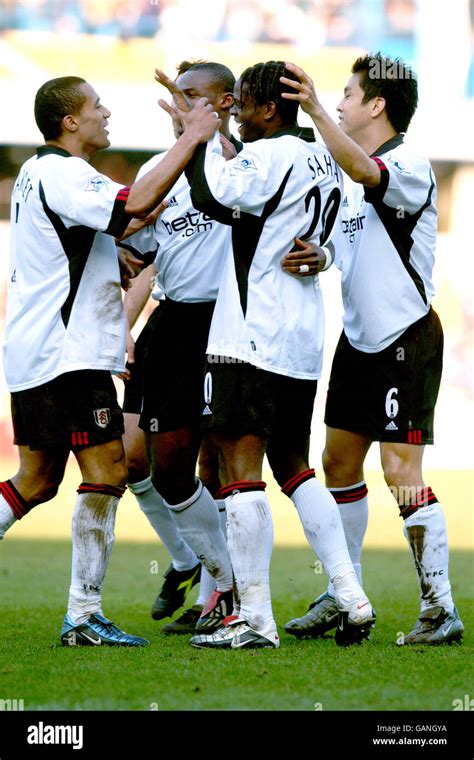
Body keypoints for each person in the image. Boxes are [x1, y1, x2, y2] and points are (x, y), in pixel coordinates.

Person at [158, 60, 376, 650]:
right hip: (302, 340)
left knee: (238, 468)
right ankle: (351, 596)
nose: (236, 115)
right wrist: (210, 133)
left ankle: (253, 618)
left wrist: (195, 138)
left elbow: (214, 196)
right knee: (294, 467)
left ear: (267, 109)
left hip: (249, 337)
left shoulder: (269, 154)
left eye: (242, 106)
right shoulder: (324, 156)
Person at [0, 75, 220, 647]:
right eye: (96, 106)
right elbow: (137, 203)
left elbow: (91, 236)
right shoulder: (64, 171)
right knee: (108, 472)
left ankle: (86, 614)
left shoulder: (35, 174)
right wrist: (192, 136)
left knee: (37, 480)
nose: (106, 112)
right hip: (67, 354)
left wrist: (109, 257)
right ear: (69, 121)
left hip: (37, 350)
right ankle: (83, 615)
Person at [280, 54, 464, 645]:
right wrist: (323, 256)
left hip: (405, 336)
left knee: (401, 474)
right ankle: (344, 592)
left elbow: (363, 172)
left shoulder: (406, 163)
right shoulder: (352, 175)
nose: (337, 103)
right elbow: (352, 246)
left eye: (347, 94)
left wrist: (308, 107)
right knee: (336, 464)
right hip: (359, 340)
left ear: (377, 104)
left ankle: (440, 608)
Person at [119, 61, 241, 635]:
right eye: (176, 95)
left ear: (227, 103)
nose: (179, 105)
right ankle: (188, 562)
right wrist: (123, 324)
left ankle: (224, 593)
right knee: (131, 457)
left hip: (215, 325)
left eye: (192, 97)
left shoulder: (239, 165)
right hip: (166, 323)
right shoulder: (156, 170)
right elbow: (145, 259)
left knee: (204, 463)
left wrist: (206, 135)